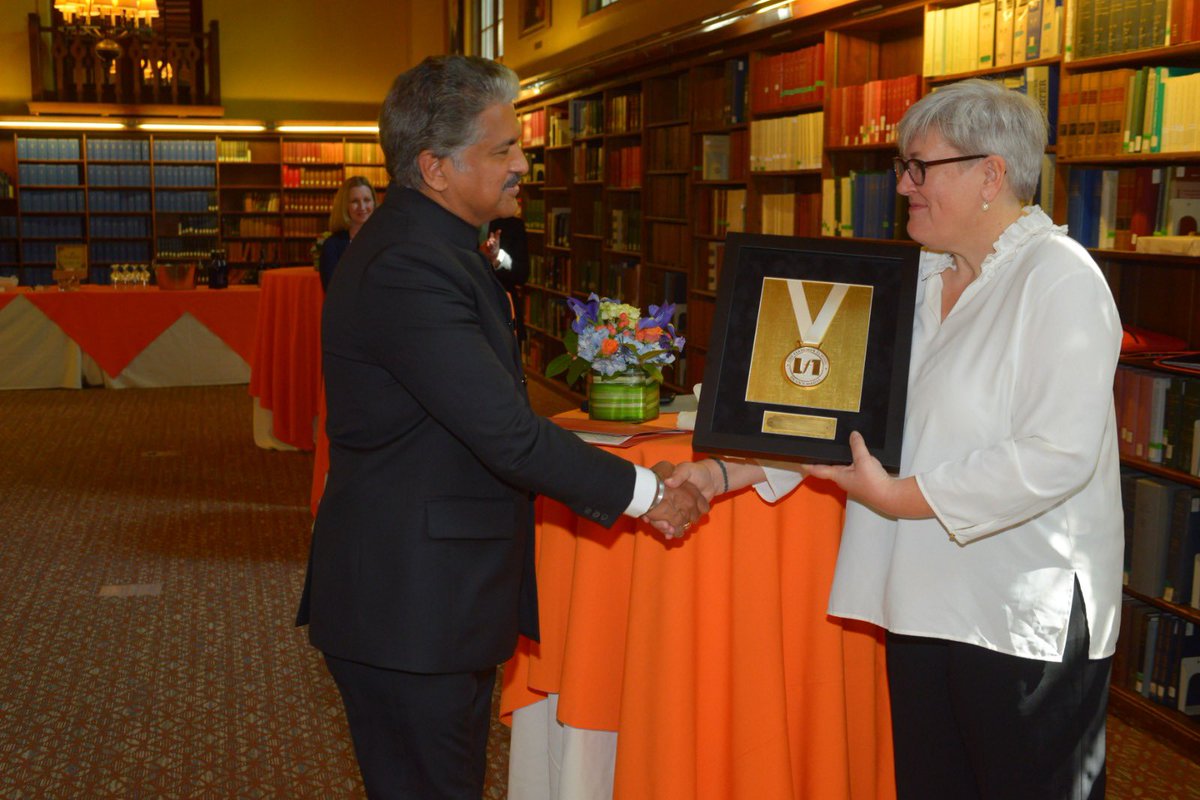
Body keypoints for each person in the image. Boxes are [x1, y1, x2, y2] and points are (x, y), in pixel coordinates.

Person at [668, 79, 1122, 799]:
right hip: (921, 597)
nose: (904, 185)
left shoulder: (1061, 279)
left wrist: (903, 497)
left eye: (921, 167)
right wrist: (723, 472)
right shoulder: (920, 277)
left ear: (990, 176)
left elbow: (1056, 453)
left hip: (1016, 615)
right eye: (904, 167)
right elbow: (845, 415)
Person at [295, 55, 707, 800]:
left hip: (420, 595)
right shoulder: (409, 264)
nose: (523, 163)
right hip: (408, 603)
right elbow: (507, 434)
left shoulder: (428, 245)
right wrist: (649, 493)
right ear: (436, 168)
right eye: (503, 150)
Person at [317, 175, 376, 291]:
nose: (362, 207)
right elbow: (332, 291)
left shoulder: (385, 240)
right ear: (344, 206)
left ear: (374, 203)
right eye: (355, 201)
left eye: (367, 200)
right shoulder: (332, 246)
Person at [480, 213, 530, 343]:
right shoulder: (458, 220)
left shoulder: (512, 224)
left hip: (503, 315)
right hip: (467, 314)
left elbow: (522, 273)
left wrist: (498, 258)